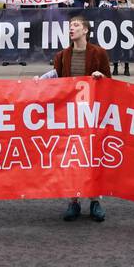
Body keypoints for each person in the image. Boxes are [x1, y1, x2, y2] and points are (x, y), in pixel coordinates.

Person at [46, 14, 111, 222]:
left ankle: (94, 201)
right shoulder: (62, 56)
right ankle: (73, 200)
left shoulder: (99, 53)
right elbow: (55, 80)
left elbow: (110, 82)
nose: (71, 28)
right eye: (70, 26)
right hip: (69, 115)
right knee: (72, 157)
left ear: (85, 30)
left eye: (75, 25)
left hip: (91, 113)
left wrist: (101, 79)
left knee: (92, 157)